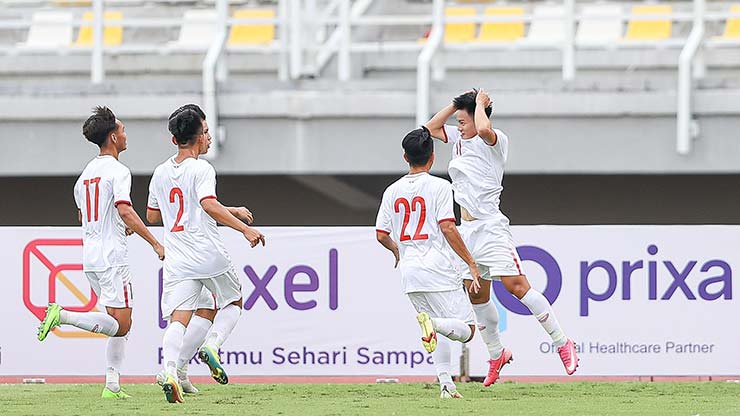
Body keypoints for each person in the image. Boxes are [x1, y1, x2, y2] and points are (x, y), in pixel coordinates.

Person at [425, 89, 579, 386]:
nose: (459, 126)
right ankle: (497, 354)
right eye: (457, 121)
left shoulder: (495, 140)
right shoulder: (458, 140)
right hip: (466, 230)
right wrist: (456, 105)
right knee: (477, 294)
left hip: (490, 228)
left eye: (462, 121)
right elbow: (431, 128)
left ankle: (563, 343)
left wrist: (480, 105)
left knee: (516, 286)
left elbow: (483, 128)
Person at [37, 106, 165, 399]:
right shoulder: (119, 171)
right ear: (112, 137)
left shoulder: (84, 176)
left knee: (118, 322)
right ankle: (63, 315)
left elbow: (86, 217)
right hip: (112, 257)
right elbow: (125, 210)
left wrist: (119, 225)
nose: (124, 134)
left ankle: (112, 385)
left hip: (91, 257)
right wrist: (154, 242)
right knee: (122, 325)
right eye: (121, 130)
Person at [147, 104, 265, 403]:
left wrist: (229, 209)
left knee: (180, 318)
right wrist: (244, 228)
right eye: (207, 131)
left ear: (175, 140)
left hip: (177, 256)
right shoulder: (202, 168)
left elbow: (152, 214)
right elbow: (207, 204)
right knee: (234, 301)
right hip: (206, 251)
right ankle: (212, 346)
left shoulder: (161, 172)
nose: (210, 137)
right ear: (199, 137)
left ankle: (172, 371)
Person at [376, 126, 482, 399]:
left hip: (410, 272)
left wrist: (397, 252)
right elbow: (447, 227)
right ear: (432, 157)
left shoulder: (391, 191)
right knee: (466, 330)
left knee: (440, 328)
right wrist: (470, 262)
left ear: (404, 157)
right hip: (438, 268)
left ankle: (446, 385)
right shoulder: (440, 186)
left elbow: (381, 234)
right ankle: (434, 324)